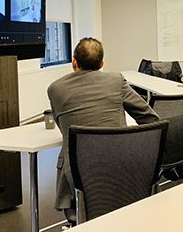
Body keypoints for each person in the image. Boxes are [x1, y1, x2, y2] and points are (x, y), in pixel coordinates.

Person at [47, 37, 159, 225]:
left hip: (80, 175)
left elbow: (65, 129)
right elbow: (150, 118)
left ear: (74, 62)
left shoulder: (55, 89)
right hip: (125, 169)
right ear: (101, 64)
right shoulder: (116, 80)